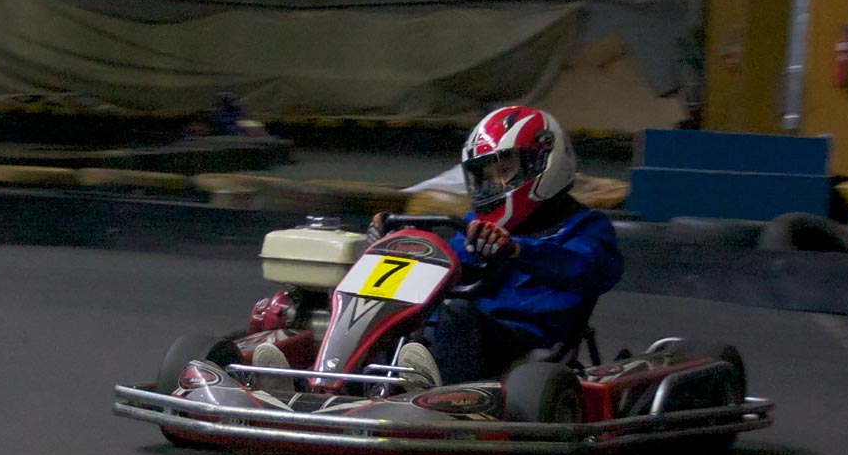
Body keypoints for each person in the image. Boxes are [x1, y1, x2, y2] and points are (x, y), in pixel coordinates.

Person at [250, 105, 623, 393]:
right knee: (393, 314)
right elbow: (446, 267)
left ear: (543, 162)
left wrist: (517, 251)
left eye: (505, 169)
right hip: (454, 334)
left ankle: (434, 397)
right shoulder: (478, 226)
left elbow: (593, 270)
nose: (494, 183)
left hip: (523, 343)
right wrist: (389, 246)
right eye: (486, 174)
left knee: (456, 315)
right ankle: (317, 381)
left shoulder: (584, 227)